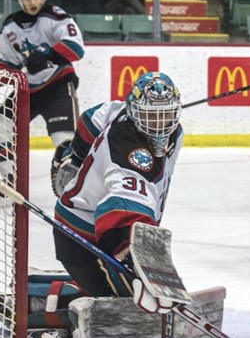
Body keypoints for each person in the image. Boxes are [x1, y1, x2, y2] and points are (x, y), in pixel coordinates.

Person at [53, 72, 184, 314]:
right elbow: (122, 203)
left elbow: (91, 118)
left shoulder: (124, 113)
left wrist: (77, 156)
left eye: (165, 114)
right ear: (133, 112)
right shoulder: (129, 147)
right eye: (149, 115)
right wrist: (134, 252)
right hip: (82, 233)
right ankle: (46, 305)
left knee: (132, 297)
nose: (158, 123)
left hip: (102, 224)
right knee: (115, 307)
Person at [0, 0, 85, 201]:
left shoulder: (56, 16)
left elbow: (76, 48)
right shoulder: (11, 25)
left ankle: (72, 187)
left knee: (64, 139)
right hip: (27, 89)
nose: (32, 2)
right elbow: (8, 64)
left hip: (58, 83)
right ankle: (8, 180)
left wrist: (49, 53)